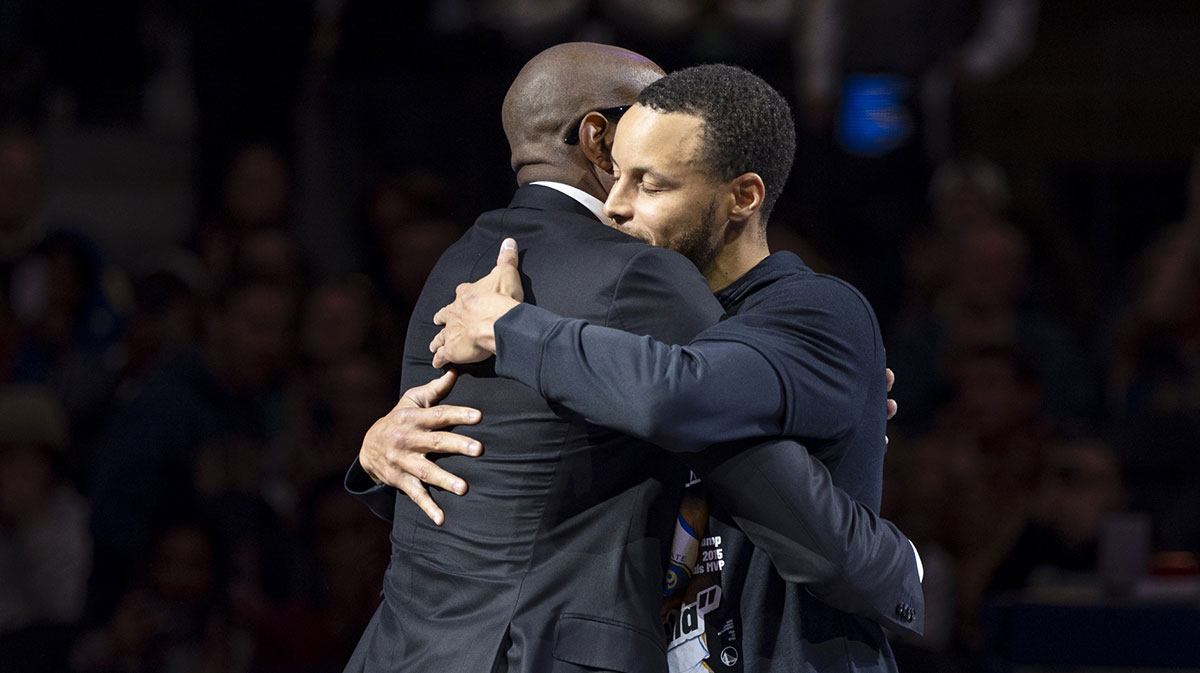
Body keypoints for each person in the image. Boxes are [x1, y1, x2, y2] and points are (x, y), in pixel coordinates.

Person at [345, 45, 920, 673]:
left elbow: (681, 400)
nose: (616, 204)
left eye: (649, 180)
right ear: (598, 141)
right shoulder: (628, 278)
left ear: (742, 196)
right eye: (619, 170)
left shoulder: (466, 265)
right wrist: (378, 446)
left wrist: (512, 331)